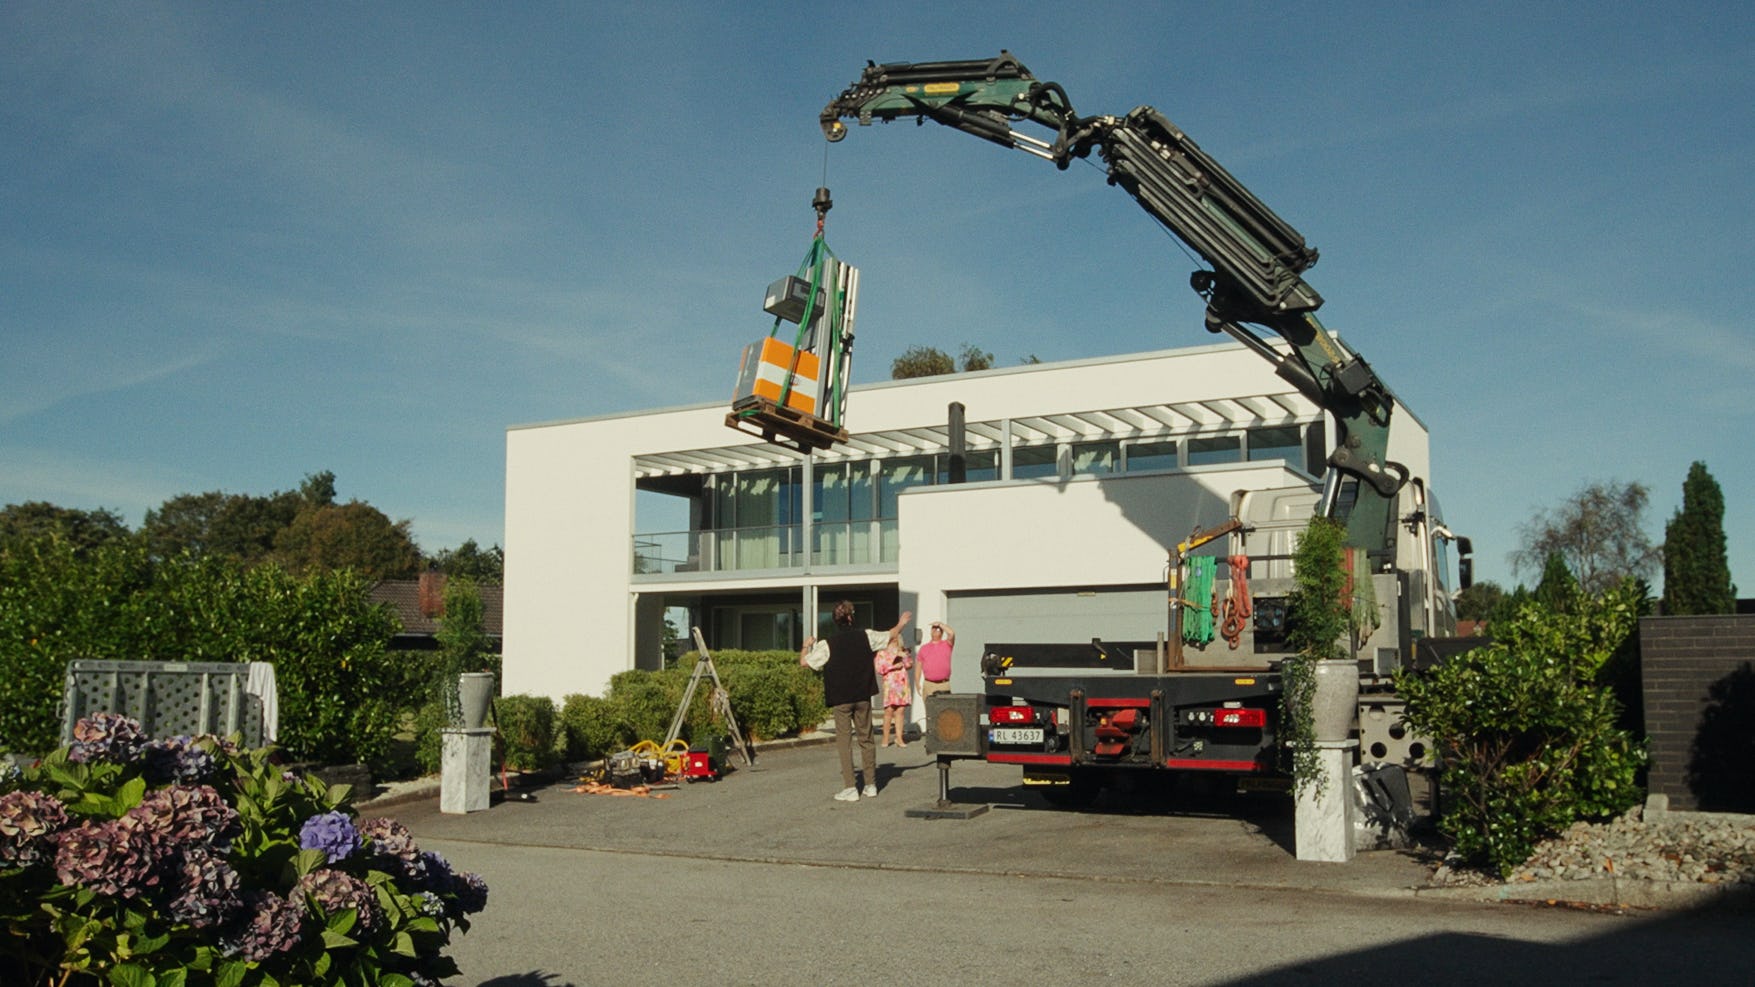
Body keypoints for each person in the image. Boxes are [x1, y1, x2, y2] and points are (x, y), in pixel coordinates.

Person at [800, 602, 911, 801]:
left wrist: (805, 646)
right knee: (866, 739)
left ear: (835, 621)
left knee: (845, 743)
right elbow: (891, 634)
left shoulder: (828, 644)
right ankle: (870, 785)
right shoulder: (866, 636)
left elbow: (804, 662)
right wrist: (901, 623)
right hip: (862, 695)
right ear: (851, 617)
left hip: (841, 698)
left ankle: (850, 788)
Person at [875, 640, 913, 747]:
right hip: (890, 684)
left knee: (900, 710)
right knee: (889, 710)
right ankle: (885, 738)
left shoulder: (902, 651)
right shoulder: (882, 653)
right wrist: (893, 666)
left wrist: (905, 656)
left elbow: (909, 665)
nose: (895, 641)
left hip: (902, 683)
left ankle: (899, 738)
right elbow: (879, 669)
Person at [915, 620, 956, 697]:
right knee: (929, 705)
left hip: (944, 685)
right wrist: (917, 682)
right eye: (933, 628)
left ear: (942, 632)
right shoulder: (924, 648)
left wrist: (940, 624)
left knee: (944, 705)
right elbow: (918, 667)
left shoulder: (947, 644)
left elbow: (951, 633)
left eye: (938, 629)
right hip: (929, 685)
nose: (935, 630)